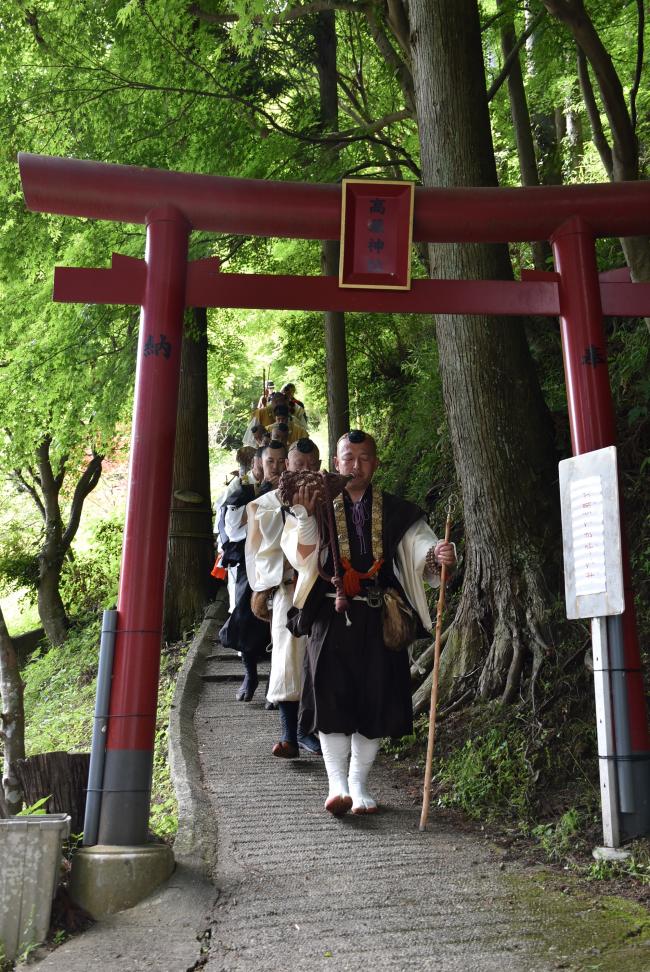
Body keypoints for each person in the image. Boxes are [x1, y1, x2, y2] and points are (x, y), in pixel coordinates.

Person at [281, 430, 456, 817]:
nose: (355, 465)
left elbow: (418, 547)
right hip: (329, 612)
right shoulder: (316, 501)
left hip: (381, 615)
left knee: (375, 699)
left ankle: (359, 785)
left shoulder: (397, 510)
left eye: (363, 458)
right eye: (348, 457)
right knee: (330, 697)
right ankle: (336, 785)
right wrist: (305, 515)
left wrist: (436, 555)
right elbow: (301, 554)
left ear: (375, 464)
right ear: (336, 461)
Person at [245, 438, 322, 758]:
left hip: (327, 590)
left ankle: (315, 730)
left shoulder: (332, 500)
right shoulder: (263, 506)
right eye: (296, 465)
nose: (302, 471)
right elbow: (257, 553)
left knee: (322, 662)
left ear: (317, 466)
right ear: (286, 466)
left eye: (309, 466)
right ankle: (291, 734)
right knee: (288, 661)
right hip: (288, 590)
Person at [219, 441, 287, 701]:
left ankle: (276, 684)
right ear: (259, 462)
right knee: (246, 616)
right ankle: (250, 675)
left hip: (286, 561)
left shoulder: (295, 487)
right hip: (251, 564)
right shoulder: (242, 490)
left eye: (282, 461)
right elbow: (233, 528)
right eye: (271, 461)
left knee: (281, 622)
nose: (277, 467)